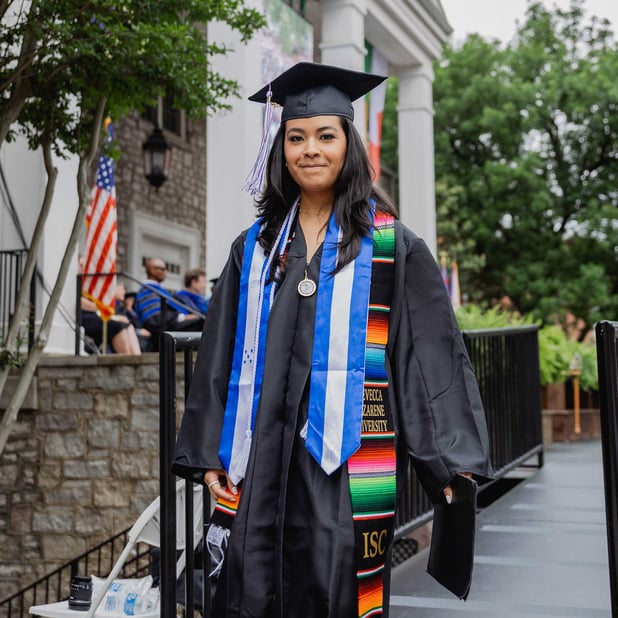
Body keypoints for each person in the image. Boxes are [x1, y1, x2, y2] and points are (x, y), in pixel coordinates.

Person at [172, 62, 493, 617]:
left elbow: (427, 358)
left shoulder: (392, 246)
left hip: (342, 465)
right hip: (259, 458)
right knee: (250, 587)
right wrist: (206, 453)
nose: (310, 149)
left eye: (326, 135)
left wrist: (449, 463)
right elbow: (220, 353)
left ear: (349, 144)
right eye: (296, 137)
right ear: (282, 150)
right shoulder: (254, 249)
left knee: (333, 586)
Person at [135, 258, 204, 347]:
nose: (165, 272)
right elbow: (154, 319)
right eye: (162, 269)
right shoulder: (147, 290)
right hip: (160, 332)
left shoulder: (159, 290)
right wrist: (183, 317)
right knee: (201, 322)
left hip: (170, 325)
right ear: (152, 270)